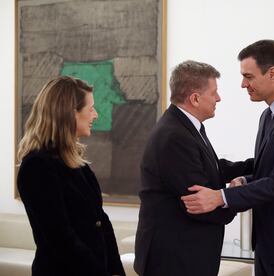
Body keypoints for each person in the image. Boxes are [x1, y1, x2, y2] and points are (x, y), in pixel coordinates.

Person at [181, 40, 274, 276]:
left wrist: (221, 197)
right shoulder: (268, 116)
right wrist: (246, 180)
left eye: (248, 77)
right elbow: (269, 170)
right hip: (269, 240)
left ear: (272, 74)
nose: (243, 84)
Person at [134, 60, 252, 276]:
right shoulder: (174, 137)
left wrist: (257, 164)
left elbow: (212, 169)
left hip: (184, 255)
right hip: (174, 260)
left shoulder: (185, 126)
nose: (218, 98)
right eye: (214, 92)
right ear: (195, 98)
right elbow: (201, 205)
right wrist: (234, 195)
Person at [17, 76, 126, 276]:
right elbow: (60, 238)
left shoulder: (76, 162)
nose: (95, 115)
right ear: (70, 114)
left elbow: (101, 221)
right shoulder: (37, 166)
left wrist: (115, 270)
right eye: (90, 109)